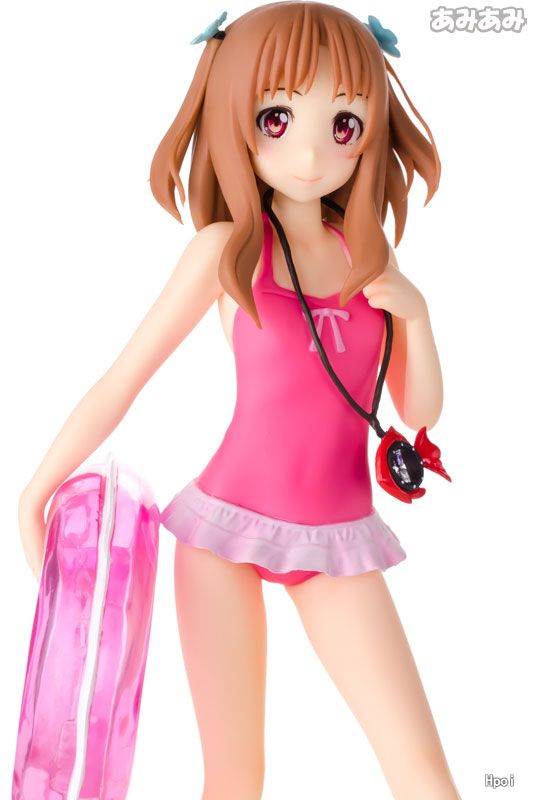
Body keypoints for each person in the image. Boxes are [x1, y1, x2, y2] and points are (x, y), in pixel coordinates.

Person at [18, 4, 461, 798]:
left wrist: (418, 315)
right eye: (276, 118)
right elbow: (124, 377)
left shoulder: (369, 255)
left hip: (338, 535)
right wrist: (34, 492)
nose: (310, 153)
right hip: (221, 533)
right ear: (235, 116)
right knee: (234, 779)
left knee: (424, 775)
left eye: (344, 124)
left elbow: (418, 411)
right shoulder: (226, 250)